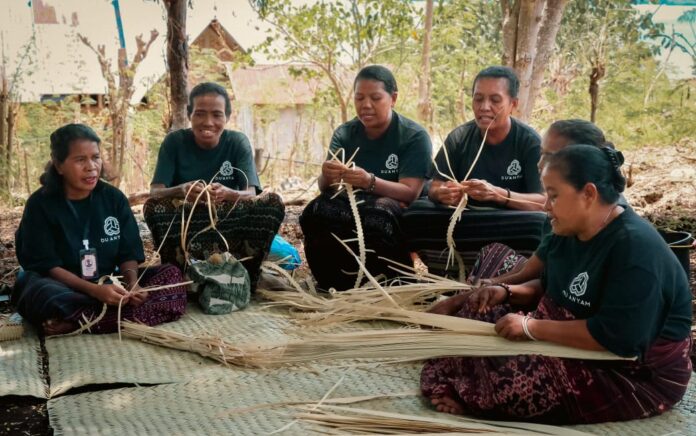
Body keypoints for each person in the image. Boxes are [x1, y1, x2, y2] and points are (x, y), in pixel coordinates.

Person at [421, 144, 692, 424]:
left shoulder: (636, 250)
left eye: (553, 196)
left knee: (518, 383)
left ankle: (473, 394)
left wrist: (530, 327)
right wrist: (505, 292)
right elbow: (550, 286)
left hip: (631, 371)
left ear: (588, 194)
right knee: (480, 315)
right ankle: (472, 383)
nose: (546, 206)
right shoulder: (567, 227)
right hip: (572, 326)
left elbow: (617, 339)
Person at [13, 124, 187, 335]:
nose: (91, 167)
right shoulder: (40, 204)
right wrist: (95, 291)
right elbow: (47, 265)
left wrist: (132, 284)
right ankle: (111, 317)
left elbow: (128, 251)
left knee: (171, 276)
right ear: (58, 165)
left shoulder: (113, 198)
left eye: (95, 157)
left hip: (110, 282)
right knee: (39, 293)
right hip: (64, 287)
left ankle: (81, 322)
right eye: (80, 160)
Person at [300, 65, 432, 291]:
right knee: (315, 212)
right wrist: (327, 174)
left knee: (378, 215)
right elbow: (325, 188)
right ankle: (334, 283)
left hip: (395, 208)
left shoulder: (413, 136)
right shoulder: (345, 133)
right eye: (359, 98)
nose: (366, 105)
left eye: (375, 98)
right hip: (350, 202)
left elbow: (411, 192)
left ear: (393, 98)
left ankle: (395, 283)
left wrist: (369, 181)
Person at [144, 82, 285, 289]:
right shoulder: (174, 142)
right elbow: (155, 192)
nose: (208, 122)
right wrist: (181, 190)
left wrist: (229, 194)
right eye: (200, 114)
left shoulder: (237, 142)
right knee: (153, 207)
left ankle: (247, 273)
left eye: (217, 115)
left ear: (227, 117)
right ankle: (180, 275)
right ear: (190, 114)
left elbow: (251, 192)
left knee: (271, 203)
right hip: (187, 225)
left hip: (228, 226)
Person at [470, 119, 619, 285]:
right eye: (541, 153)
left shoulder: (617, 234)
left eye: (552, 158)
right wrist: (490, 286)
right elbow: (536, 269)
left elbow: (548, 284)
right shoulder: (564, 211)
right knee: (493, 253)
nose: (540, 164)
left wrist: (501, 289)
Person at [429, 66, 545, 211]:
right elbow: (434, 186)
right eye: (478, 99)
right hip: (467, 219)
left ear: (513, 105)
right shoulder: (458, 138)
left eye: (495, 100)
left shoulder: (530, 142)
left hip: (513, 223)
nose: (484, 107)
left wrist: (498, 194)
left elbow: (543, 202)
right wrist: (442, 193)